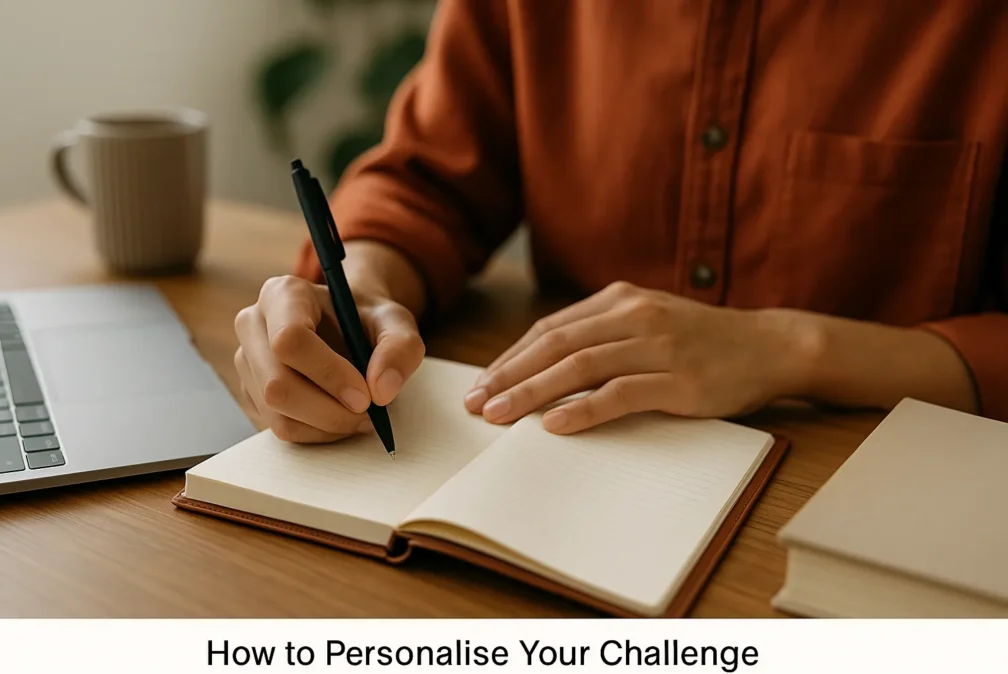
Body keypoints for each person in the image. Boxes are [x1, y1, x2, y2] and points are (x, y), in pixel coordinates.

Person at [234, 1, 1008, 444]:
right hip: (568, 453)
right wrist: (362, 288)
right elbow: (427, 182)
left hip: (875, 476)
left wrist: (794, 349)